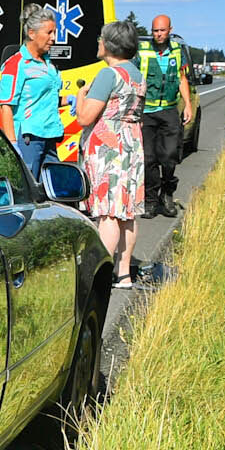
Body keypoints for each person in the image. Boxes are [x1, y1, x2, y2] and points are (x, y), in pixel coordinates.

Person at [76, 20, 146, 287]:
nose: (98, 42)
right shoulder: (136, 74)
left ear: (109, 45)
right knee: (126, 212)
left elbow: (85, 118)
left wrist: (82, 96)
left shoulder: (108, 75)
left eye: (100, 38)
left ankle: (100, 274)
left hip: (108, 148)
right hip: (131, 144)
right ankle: (124, 272)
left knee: (107, 213)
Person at [137, 14, 195, 218]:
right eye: (155, 31)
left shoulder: (178, 51)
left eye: (162, 30)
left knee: (170, 156)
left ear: (170, 30)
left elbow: (182, 78)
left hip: (169, 110)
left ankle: (167, 194)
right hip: (147, 112)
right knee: (148, 159)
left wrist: (187, 104)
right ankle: (151, 201)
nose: (158, 34)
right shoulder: (142, 52)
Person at [0, 4, 65, 178]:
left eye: (55, 32)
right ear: (31, 34)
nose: (54, 38)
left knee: (53, 189)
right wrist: (12, 143)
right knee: (27, 190)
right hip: (29, 138)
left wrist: (71, 99)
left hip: (50, 135)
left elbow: (45, 98)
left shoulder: (48, 63)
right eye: (49, 33)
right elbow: (6, 105)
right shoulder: (16, 64)